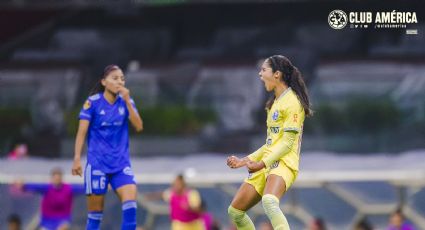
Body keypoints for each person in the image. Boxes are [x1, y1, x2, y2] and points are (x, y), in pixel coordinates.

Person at [227, 55, 312, 230]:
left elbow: (287, 143)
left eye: (264, 70)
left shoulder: (293, 103)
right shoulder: (272, 104)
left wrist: (261, 164)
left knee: (269, 201)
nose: (260, 74)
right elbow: (270, 143)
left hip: (284, 162)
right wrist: (244, 161)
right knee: (235, 212)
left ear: (277, 74)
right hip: (266, 162)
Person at [72, 64, 143, 230]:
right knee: (95, 215)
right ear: (104, 82)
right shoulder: (92, 103)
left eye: (122, 79)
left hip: (121, 165)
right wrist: (76, 158)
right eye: (115, 78)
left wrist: (127, 101)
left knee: (131, 206)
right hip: (98, 165)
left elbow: (138, 126)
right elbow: (81, 132)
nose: (120, 82)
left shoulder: (126, 102)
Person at [15, 167, 84, 230]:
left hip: (63, 221)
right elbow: (34, 187)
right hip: (47, 222)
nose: (57, 180)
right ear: (52, 178)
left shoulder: (68, 189)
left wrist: (93, 187)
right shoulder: (47, 188)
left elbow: (83, 189)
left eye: (59, 178)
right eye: (55, 178)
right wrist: (23, 185)